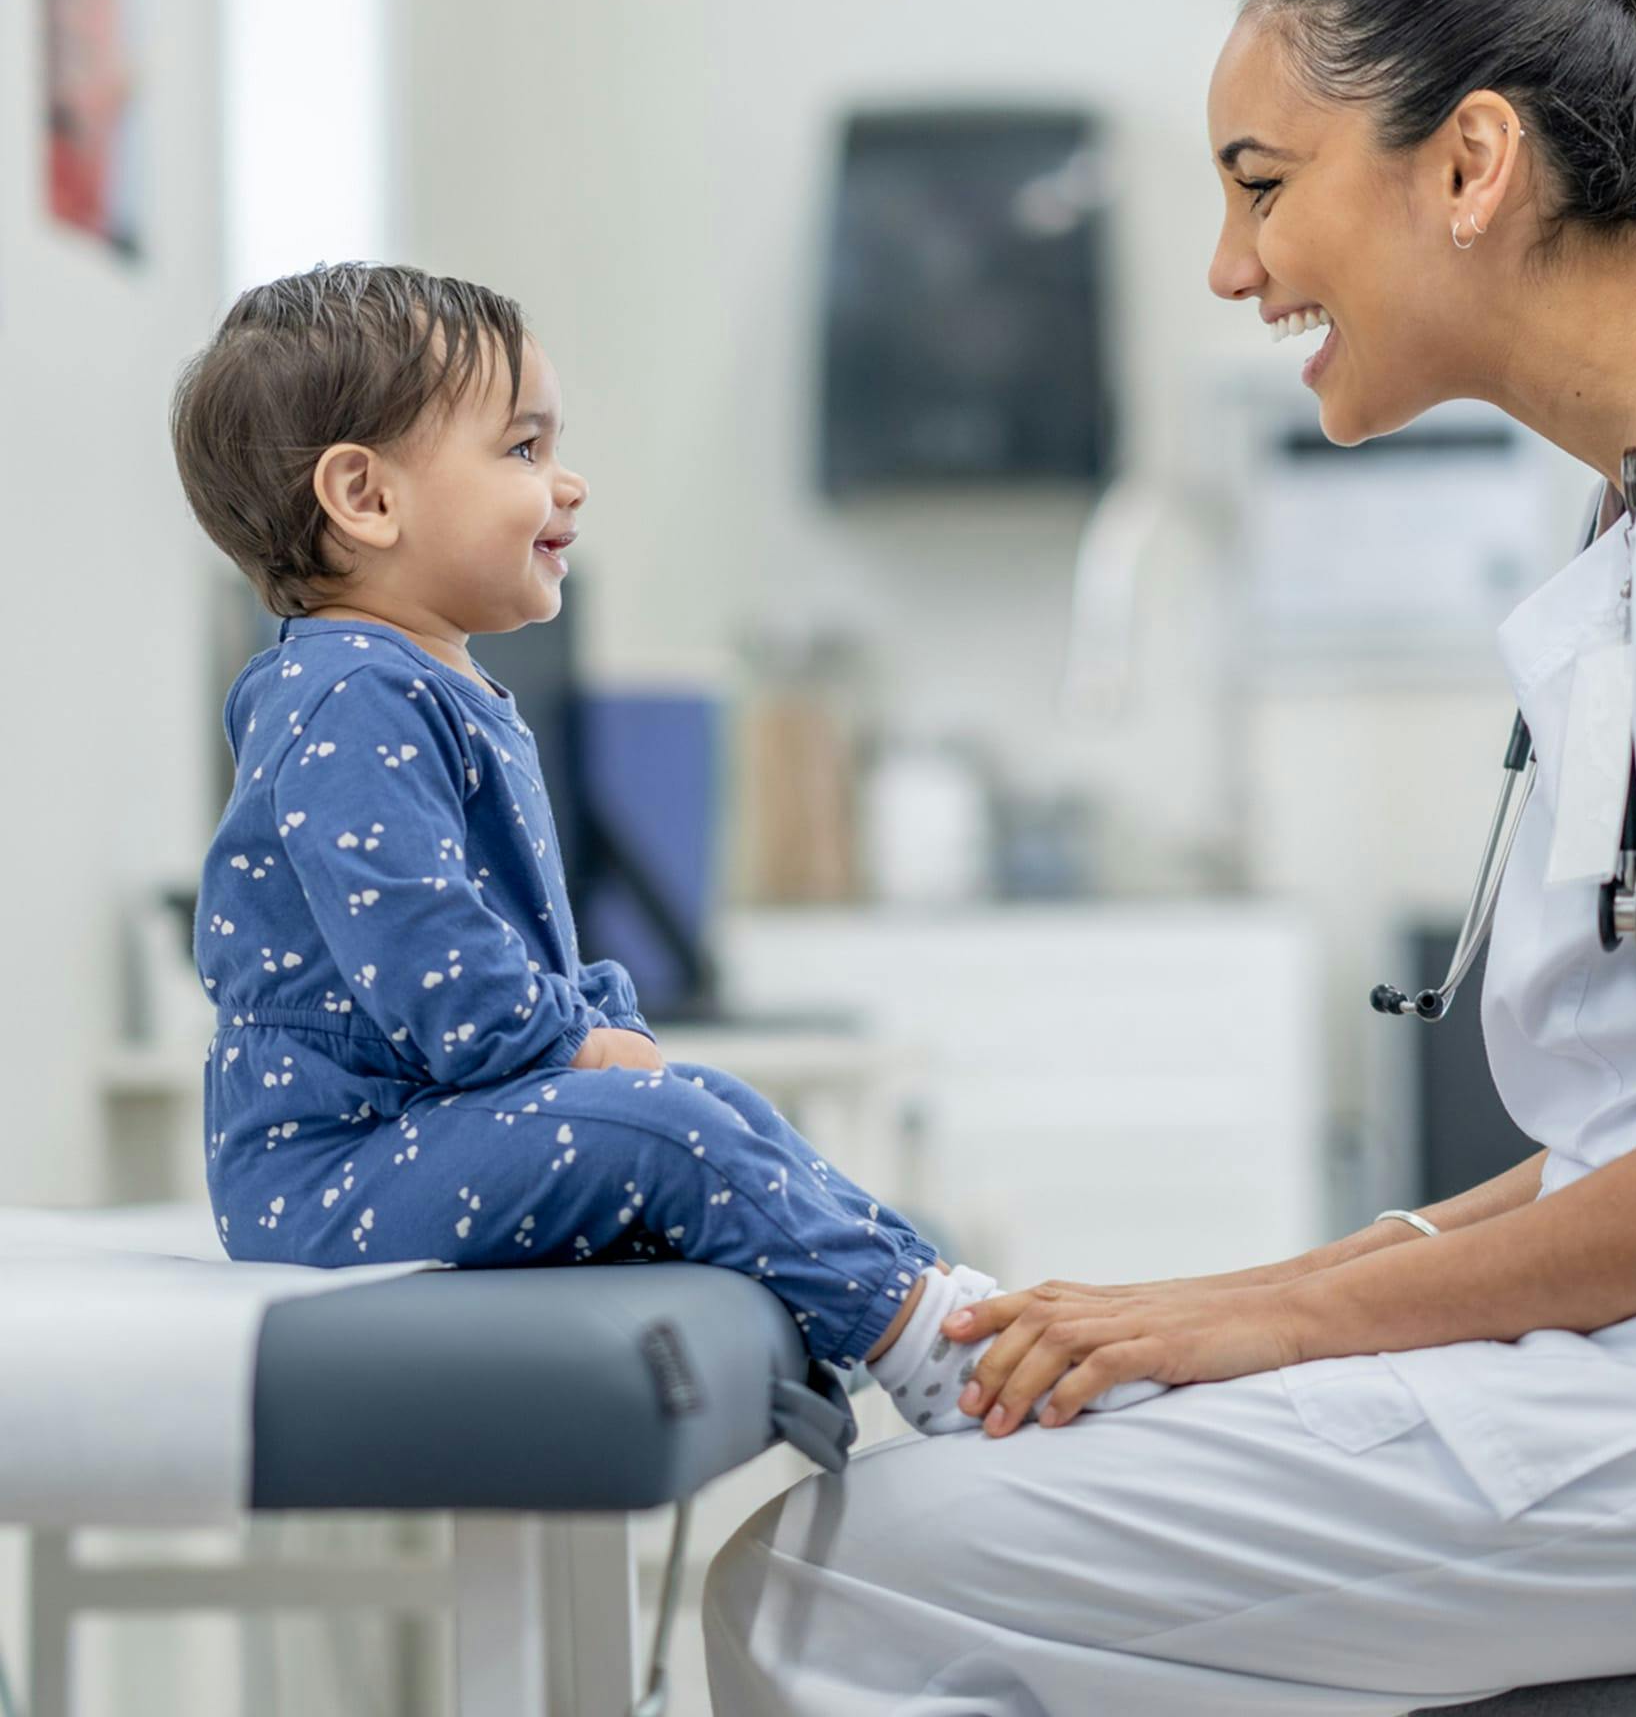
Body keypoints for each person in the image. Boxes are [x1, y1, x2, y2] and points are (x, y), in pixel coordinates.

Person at [702, 0, 1636, 1712]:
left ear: (1470, 165)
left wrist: (1274, 1314)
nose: (1223, 263)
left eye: (1262, 184)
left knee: (838, 1578)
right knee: (933, 1518)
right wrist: (1271, 1288)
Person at [167, 263, 1166, 1436]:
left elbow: (497, 947)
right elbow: (430, 961)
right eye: (523, 450)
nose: (567, 482)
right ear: (366, 497)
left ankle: (938, 1304)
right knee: (674, 1130)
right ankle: (933, 1350)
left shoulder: (424, 683)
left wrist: (592, 1030)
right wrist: (575, 1043)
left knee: (709, 1103)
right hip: (334, 1174)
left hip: (409, 1136)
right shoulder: (346, 696)